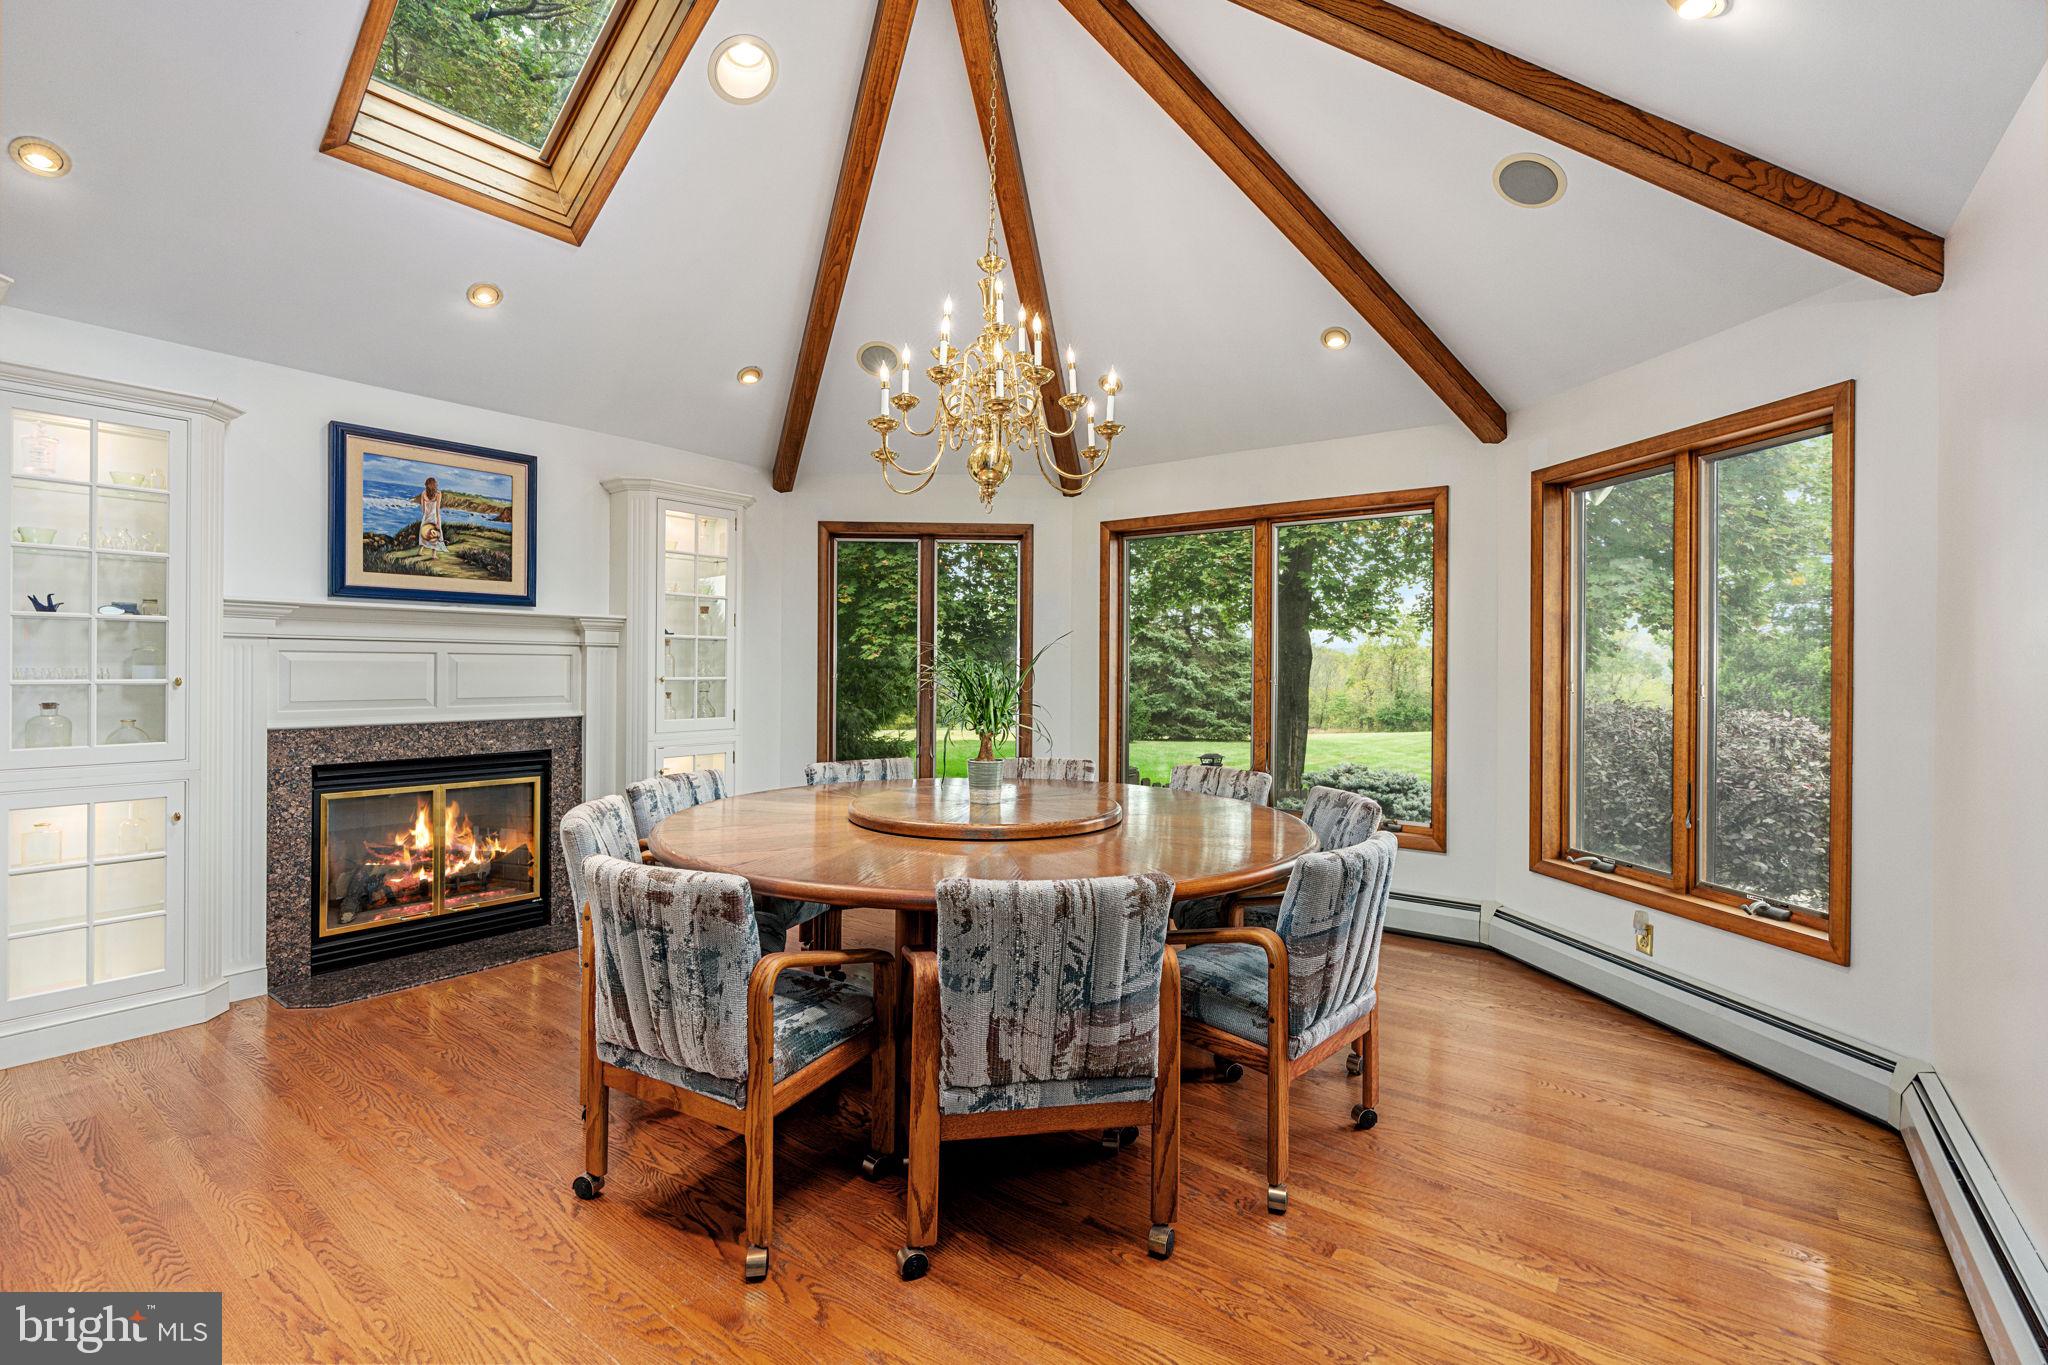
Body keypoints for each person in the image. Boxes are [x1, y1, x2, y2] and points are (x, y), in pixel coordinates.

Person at [416, 476, 444, 559]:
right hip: (434, 516)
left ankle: (420, 551)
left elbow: (423, 508)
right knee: (435, 535)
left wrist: (425, 515)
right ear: (434, 484)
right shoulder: (438, 494)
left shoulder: (423, 493)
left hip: (426, 517)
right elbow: (437, 509)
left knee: (424, 533)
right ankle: (433, 554)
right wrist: (438, 522)